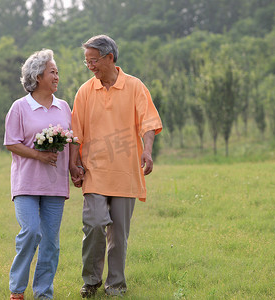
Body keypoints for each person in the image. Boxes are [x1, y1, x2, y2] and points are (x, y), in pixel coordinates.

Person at [69, 35, 163, 298]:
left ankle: (116, 285)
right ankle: (91, 281)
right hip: (95, 171)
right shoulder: (85, 91)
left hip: (125, 172)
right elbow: (76, 133)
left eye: (94, 60)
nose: (90, 66)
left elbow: (148, 122)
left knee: (118, 235)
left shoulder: (134, 87)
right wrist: (73, 165)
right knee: (95, 224)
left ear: (109, 57)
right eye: (87, 61)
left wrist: (147, 151)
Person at [4, 49, 71, 300]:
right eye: (52, 72)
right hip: (26, 183)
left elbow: (72, 141)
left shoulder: (64, 107)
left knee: (51, 243)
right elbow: (11, 142)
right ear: (38, 76)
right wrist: (39, 155)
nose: (56, 77)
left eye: (57, 72)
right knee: (31, 231)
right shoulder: (20, 107)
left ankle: (43, 294)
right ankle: (17, 290)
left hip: (55, 184)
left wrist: (74, 167)